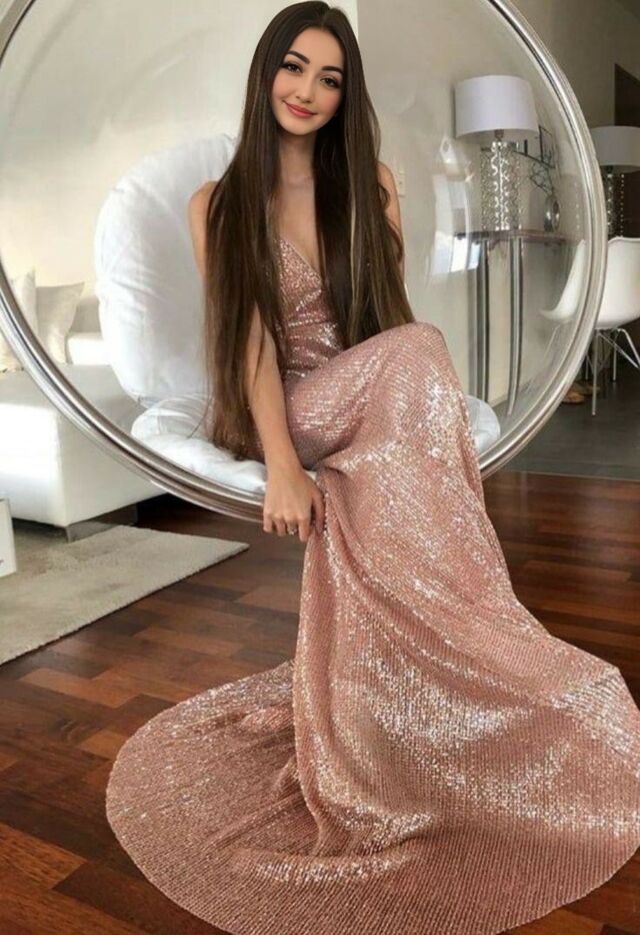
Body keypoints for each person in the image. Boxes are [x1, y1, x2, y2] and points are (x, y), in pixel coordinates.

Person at [106, 4, 640, 934]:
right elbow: (248, 340)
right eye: (293, 67)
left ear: (345, 96)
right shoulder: (217, 202)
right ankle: (480, 646)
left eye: (329, 78)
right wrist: (282, 464)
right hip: (281, 404)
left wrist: (405, 425)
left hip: (363, 387)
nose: (307, 91)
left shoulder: (372, 186)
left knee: (404, 397)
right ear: (265, 73)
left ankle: (420, 689)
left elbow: (383, 322)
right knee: (421, 350)